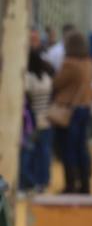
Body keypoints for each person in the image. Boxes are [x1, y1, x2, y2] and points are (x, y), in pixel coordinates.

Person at [50, 31, 92, 195]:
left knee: (67, 148)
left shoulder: (69, 64)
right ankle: (85, 184)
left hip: (69, 110)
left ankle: (70, 184)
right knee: (81, 147)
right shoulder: (89, 62)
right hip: (85, 108)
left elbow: (57, 83)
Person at [22, 49, 56, 193]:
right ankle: (44, 180)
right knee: (45, 151)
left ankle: (33, 181)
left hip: (34, 119)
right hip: (47, 118)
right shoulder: (46, 77)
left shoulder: (28, 78)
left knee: (31, 152)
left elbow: (26, 96)